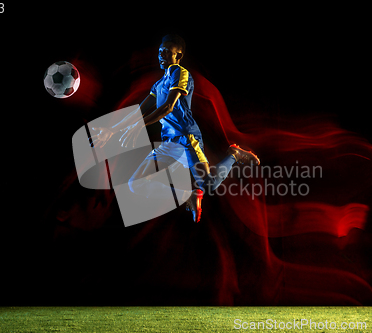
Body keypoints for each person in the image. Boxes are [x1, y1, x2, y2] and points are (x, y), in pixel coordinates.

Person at [89, 34, 260, 223]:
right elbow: (139, 111)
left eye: (167, 52)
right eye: (160, 51)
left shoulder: (180, 73)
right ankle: (187, 196)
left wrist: (139, 126)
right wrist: (112, 130)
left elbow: (168, 107)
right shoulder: (159, 84)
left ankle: (234, 154)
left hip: (187, 138)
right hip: (169, 142)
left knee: (209, 185)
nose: (161, 55)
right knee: (135, 183)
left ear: (178, 56)